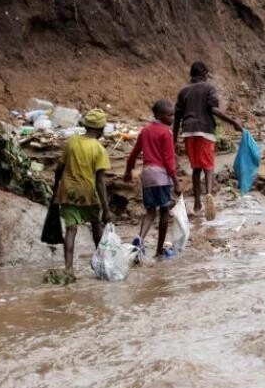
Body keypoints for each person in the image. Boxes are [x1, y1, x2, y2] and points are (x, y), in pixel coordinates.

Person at [173, 61, 243, 220]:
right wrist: (233, 122)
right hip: (205, 130)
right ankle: (209, 194)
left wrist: (174, 139)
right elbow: (213, 109)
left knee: (196, 168)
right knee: (208, 166)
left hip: (188, 132)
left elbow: (176, 117)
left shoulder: (183, 91)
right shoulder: (208, 88)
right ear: (204, 73)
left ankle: (197, 204)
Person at [52, 108, 113, 276]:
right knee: (96, 226)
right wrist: (106, 210)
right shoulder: (99, 149)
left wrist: (56, 185)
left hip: (68, 191)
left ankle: (69, 269)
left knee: (71, 230)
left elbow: (60, 167)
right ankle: (102, 264)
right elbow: (100, 181)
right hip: (88, 193)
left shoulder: (71, 142)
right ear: (100, 129)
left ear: (86, 126)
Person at [124, 99, 182, 259]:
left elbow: (134, 154)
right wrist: (176, 181)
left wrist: (128, 170)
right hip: (162, 177)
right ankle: (158, 251)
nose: (173, 118)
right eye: (170, 115)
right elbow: (169, 160)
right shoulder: (166, 133)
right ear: (160, 115)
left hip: (147, 175)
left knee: (150, 212)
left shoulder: (145, 130)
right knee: (164, 212)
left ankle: (140, 240)